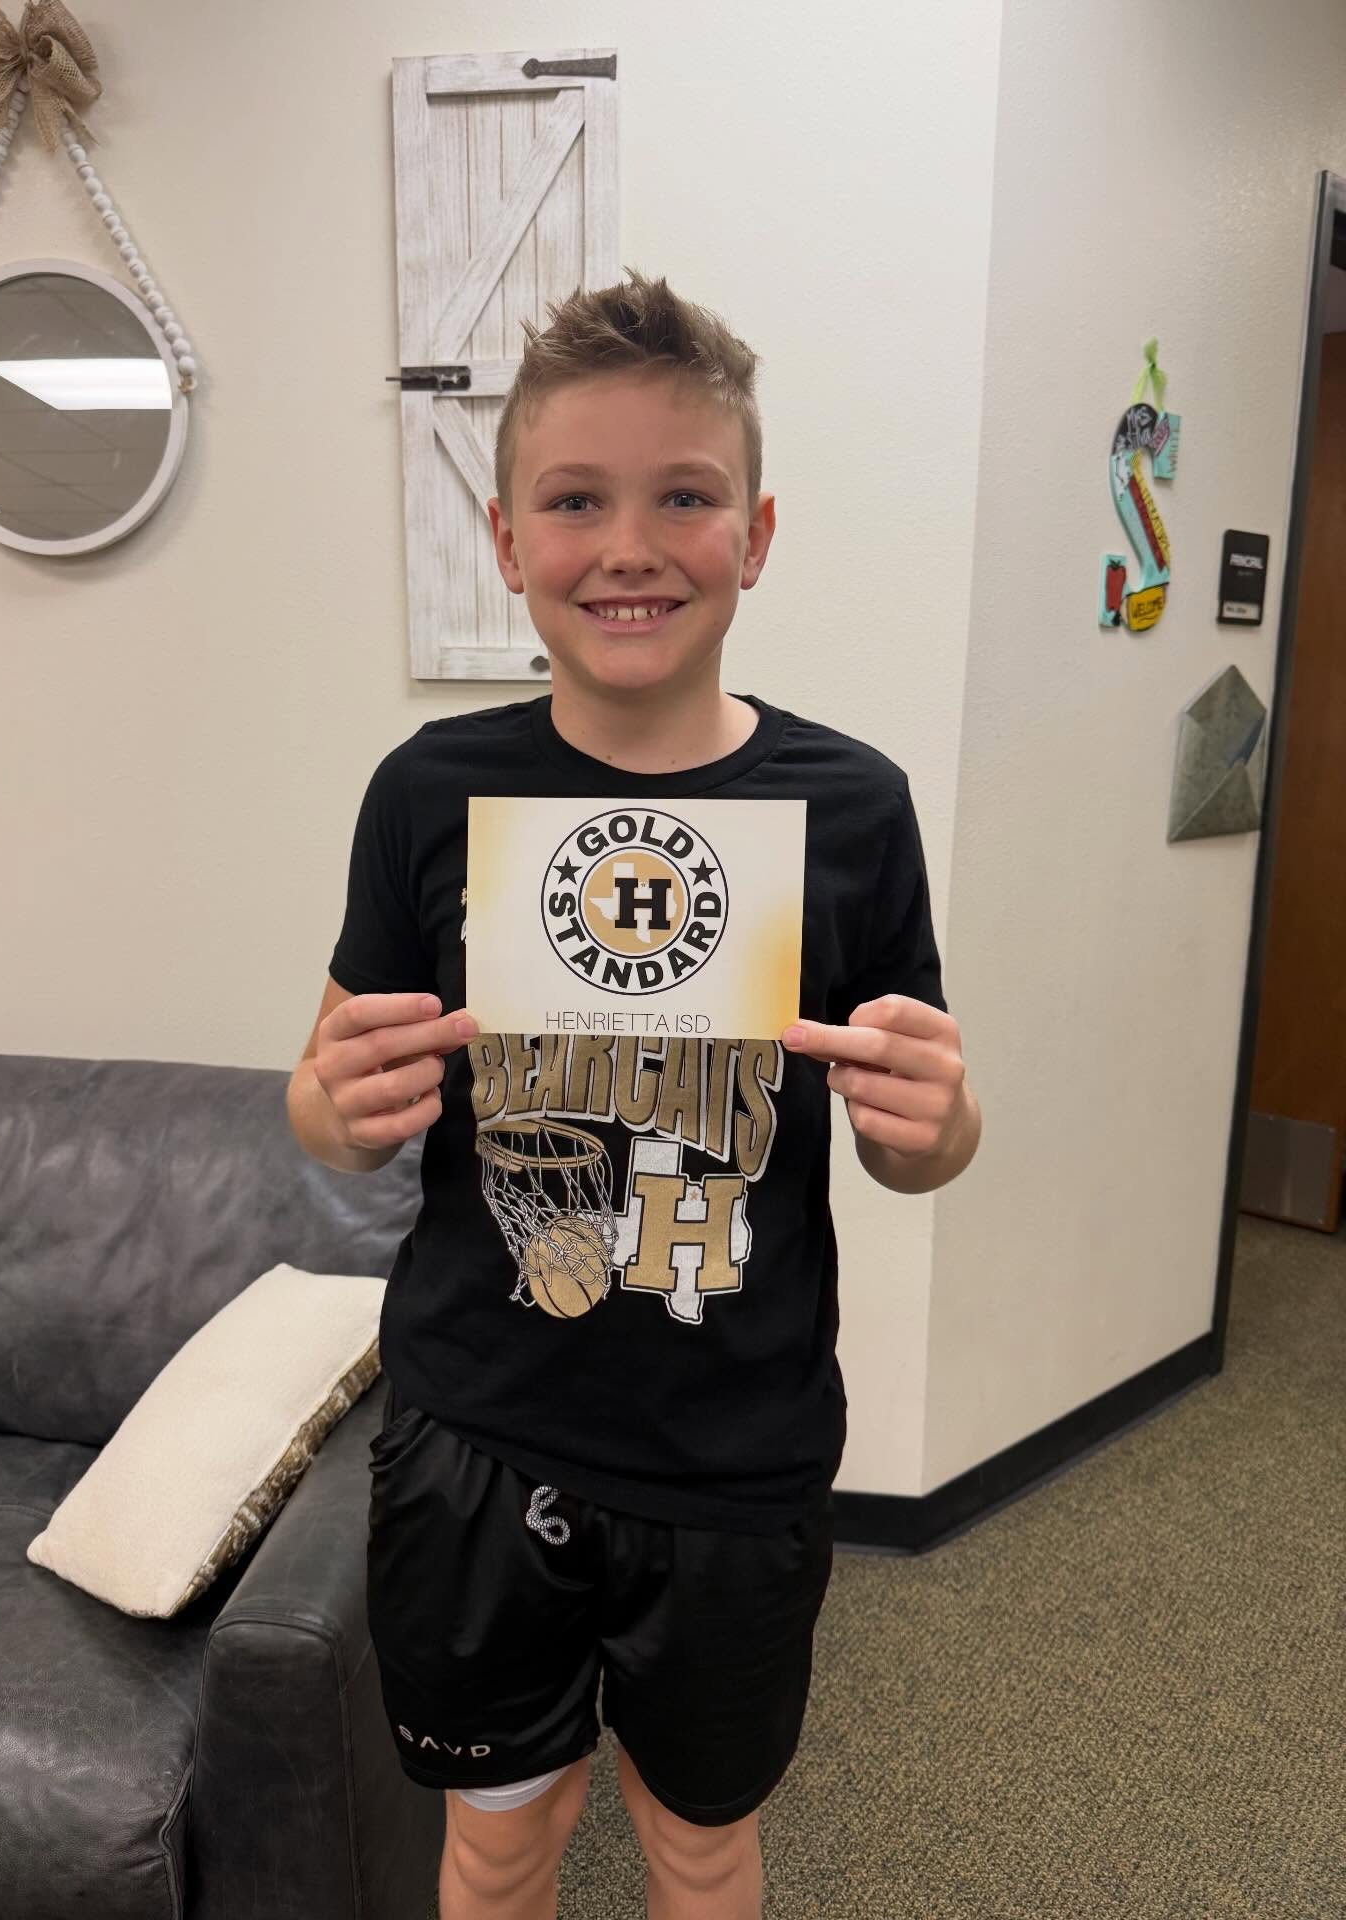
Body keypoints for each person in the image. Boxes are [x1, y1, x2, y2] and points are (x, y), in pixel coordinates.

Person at [287, 268, 981, 1920]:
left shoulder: (853, 807)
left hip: (737, 1445)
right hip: (477, 1423)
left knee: (702, 1845)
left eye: (684, 496)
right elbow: (325, 1096)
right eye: (574, 499)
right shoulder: (428, 792)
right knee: (498, 1843)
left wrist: (939, 1124)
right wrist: (335, 1107)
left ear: (756, 534)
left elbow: (917, 1143)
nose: (628, 546)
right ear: (505, 537)